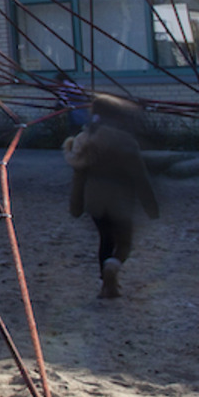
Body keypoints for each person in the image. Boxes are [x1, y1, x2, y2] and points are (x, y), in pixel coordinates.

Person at [63, 95, 158, 298]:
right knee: (124, 243)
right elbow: (140, 176)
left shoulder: (85, 140)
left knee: (105, 239)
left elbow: (79, 176)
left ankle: (106, 285)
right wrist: (150, 206)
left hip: (95, 201)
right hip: (120, 201)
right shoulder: (125, 141)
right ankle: (112, 268)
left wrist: (76, 205)